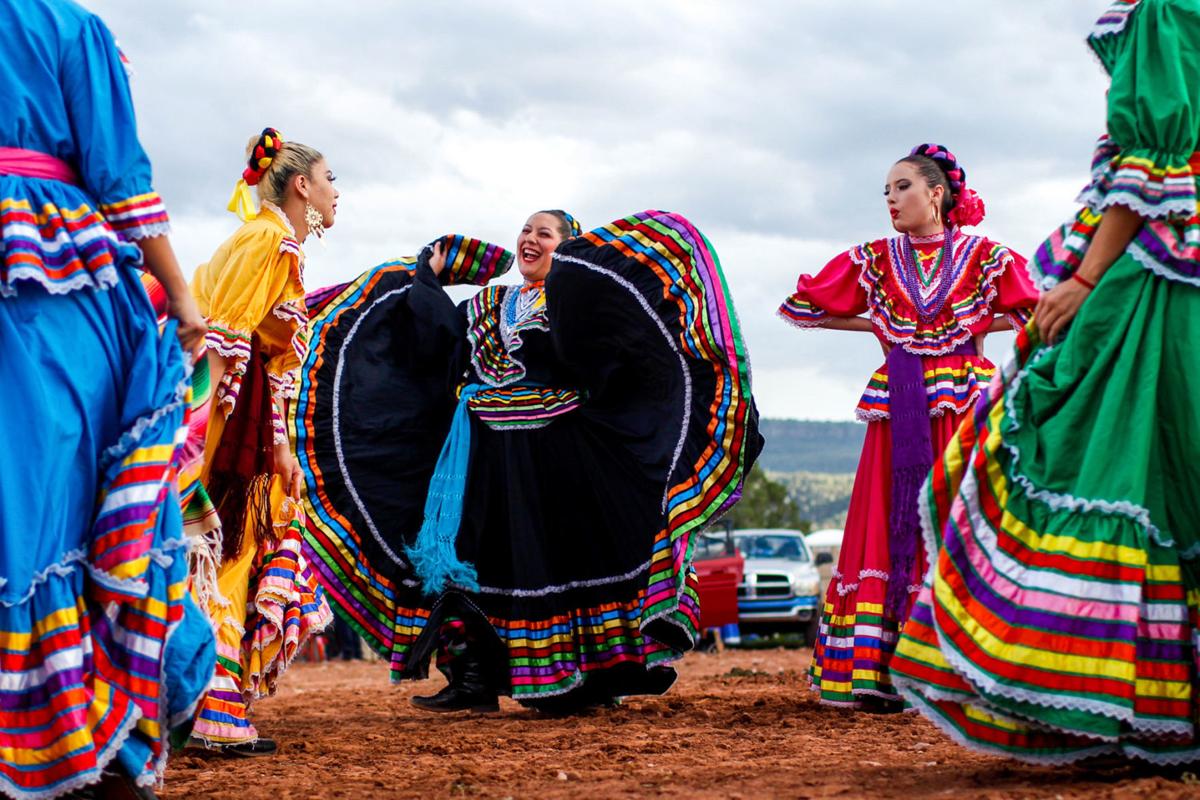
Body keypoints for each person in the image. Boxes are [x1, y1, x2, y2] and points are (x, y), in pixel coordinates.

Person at [891, 0, 1200, 764]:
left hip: (1156, 286)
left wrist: (1086, 279)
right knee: (1168, 473)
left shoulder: (1164, 11)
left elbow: (1152, 164)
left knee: (1098, 457)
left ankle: (1101, 695)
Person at [295, 209, 761, 712]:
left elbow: (609, 356)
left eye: (545, 233)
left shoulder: (575, 303)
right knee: (470, 562)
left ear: (569, 249)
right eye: (526, 230)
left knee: (557, 562)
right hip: (478, 456)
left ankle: (580, 682)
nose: (530, 239)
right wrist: (427, 276)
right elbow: (437, 343)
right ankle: (472, 679)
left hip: (556, 459)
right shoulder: (488, 303)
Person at [0, 1, 215, 797]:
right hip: (52, 283)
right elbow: (119, 175)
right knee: (64, 504)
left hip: (42, 277)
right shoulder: (67, 27)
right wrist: (182, 299)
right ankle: (75, 731)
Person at [778, 145, 1038, 708]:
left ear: (936, 193)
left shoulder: (985, 256)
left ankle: (964, 667)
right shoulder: (874, 258)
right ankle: (883, 670)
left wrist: (978, 326)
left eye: (902, 187)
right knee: (888, 516)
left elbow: (1036, 305)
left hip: (962, 401)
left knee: (963, 512)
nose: (891, 200)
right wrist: (880, 326)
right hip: (900, 399)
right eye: (887, 192)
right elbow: (808, 305)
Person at [187, 128, 333, 754]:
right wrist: (191, 444)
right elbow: (222, 342)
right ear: (301, 186)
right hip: (223, 417)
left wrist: (280, 448)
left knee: (233, 547)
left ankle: (198, 700)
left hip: (241, 415)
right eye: (330, 180)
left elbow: (261, 362)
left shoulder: (275, 243)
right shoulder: (268, 240)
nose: (335, 193)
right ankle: (206, 711)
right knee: (221, 547)